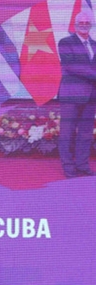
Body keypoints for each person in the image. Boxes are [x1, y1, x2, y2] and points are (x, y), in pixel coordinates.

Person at [57, 10, 96, 177]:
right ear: (75, 25)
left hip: (91, 96)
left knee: (86, 133)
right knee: (67, 133)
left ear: (91, 25)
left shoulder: (94, 44)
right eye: (81, 22)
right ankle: (68, 167)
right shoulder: (65, 42)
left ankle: (82, 165)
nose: (84, 25)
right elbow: (72, 66)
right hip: (71, 96)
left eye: (87, 23)